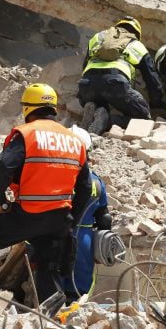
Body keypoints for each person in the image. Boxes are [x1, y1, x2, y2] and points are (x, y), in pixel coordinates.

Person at [0, 83, 91, 301]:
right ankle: (50, 317)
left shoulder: (27, 134)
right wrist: (72, 219)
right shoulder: (75, 141)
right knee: (48, 265)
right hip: (58, 219)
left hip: (26, 215)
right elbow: (85, 187)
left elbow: (6, 166)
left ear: (28, 108)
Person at [78, 16, 164, 135]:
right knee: (142, 117)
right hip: (115, 84)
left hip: (87, 84)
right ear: (136, 33)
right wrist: (157, 102)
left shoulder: (98, 37)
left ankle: (94, 109)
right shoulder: (137, 45)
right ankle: (107, 121)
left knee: (100, 100)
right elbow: (152, 79)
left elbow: (85, 66)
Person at [62, 126, 112, 301]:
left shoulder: (56, 176)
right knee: (80, 291)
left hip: (57, 235)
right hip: (85, 240)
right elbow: (104, 217)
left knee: (53, 284)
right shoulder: (96, 181)